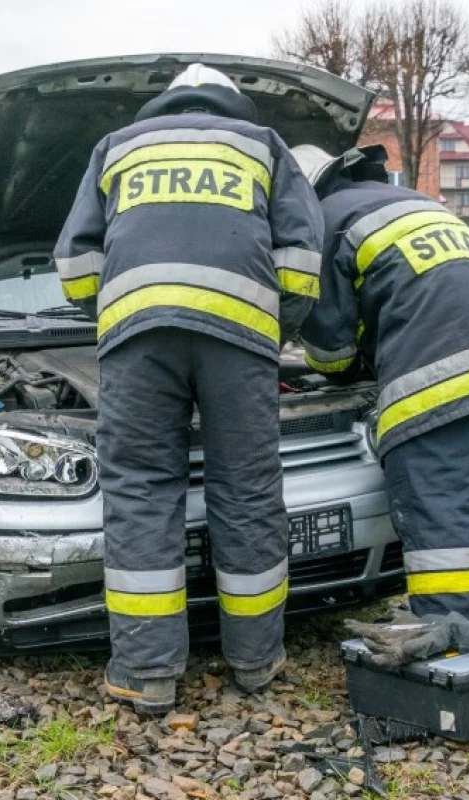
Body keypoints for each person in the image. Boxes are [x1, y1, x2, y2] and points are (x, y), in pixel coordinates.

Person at [55, 63, 325, 714]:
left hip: (138, 341)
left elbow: (74, 266)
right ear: (231, 103)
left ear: (166, 102)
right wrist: (271, 328)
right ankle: (256, 663)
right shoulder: (262, 144)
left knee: (143, 489)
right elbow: (303, 261)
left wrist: (121, 314)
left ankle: (146, 673)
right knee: (249, 490)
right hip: (240, 341)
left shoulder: (117, 147)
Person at [290, 143, 469, 663]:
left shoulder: (323, 223)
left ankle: (451, 666)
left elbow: (333, 350)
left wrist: (329, 369)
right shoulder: (405, 201)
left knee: (440, 537)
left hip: (440, 379)